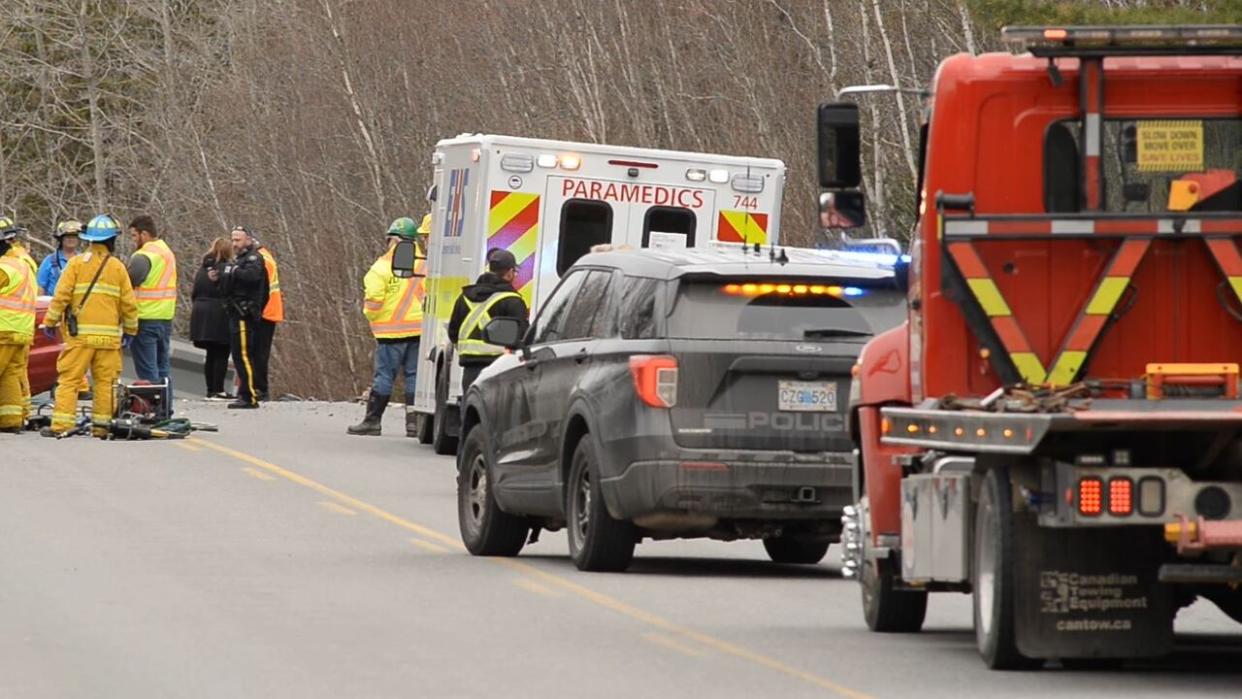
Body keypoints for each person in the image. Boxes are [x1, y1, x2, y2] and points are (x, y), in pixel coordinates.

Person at [39, 214, 138, 437]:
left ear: (89, 240)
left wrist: (50, 321)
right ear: (112, 240)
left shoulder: (75, 264)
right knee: (105, 383)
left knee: (69, 380)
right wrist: (131, 330)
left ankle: (62, 425)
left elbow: (61, 295)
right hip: (109, 339)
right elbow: (129, 304)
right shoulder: (118, 268)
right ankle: (102, 427)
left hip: (80, 337)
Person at [348, 216, 427, 437]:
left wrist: (371, 316)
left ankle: (372, 421)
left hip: (390, 333)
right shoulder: (425, 264)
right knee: (414, 378)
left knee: (384, 377)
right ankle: (414, 425)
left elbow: (373, 299)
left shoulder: (381, 267)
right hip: (420, 330)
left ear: (393, 239)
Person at [447, 248, 529, 395]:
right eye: (514, 272)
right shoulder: (513, 301)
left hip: (470, 370)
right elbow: (522, 335)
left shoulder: (464, 298)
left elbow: (453, 332)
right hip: (502, 368)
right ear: (509, 273)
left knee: (472, 412)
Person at [219, 226, 268, 409]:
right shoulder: (238, 260)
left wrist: (232, 271)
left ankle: (250, 395)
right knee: (239, 355)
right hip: (234, 311)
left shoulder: (254, 258)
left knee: (244, 354)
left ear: (248, 240)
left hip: (244, 313)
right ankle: (245, 393)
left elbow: (252, 278)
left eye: (238, 240)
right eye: (233, 240)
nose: (234, 244)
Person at [127, 215, 177, 396]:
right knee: (163, 370)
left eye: (134, 236)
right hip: (165, 318)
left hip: (145, 318)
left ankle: (153, 411)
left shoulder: (144, 255)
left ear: (144, 234)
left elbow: (127, 282)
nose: (133, 240)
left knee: (148, 372)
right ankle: (165, 410)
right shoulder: (166, 251)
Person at [0, 219, 36, 433]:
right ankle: (11, 419)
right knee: (10, 376)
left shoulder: (4, 267)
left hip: (3, 329)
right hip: (21, 330)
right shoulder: (23, 262)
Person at [190, 238, 233, 399]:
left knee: (211, 354)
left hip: (200, 313)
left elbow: (194, 293)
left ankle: (210, 389)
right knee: (221, 352)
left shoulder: (202, 270)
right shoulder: (226, 270)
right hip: (218, 314)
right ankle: (218, 389)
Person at [253, 237, 283, 401]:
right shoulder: (265, 256)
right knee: (260, 352)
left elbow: (261, 289)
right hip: (269, 310)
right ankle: (259, 388)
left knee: (259, 353)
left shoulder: (261, 259)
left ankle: (260, 389)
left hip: (265, 312)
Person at [37, 220, 82, 295]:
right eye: (68, 237)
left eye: (74, 236)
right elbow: (40, 287)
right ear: (61, 239)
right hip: (53, 303)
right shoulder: (49, 260)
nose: (71, 239)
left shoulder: (83, 260)